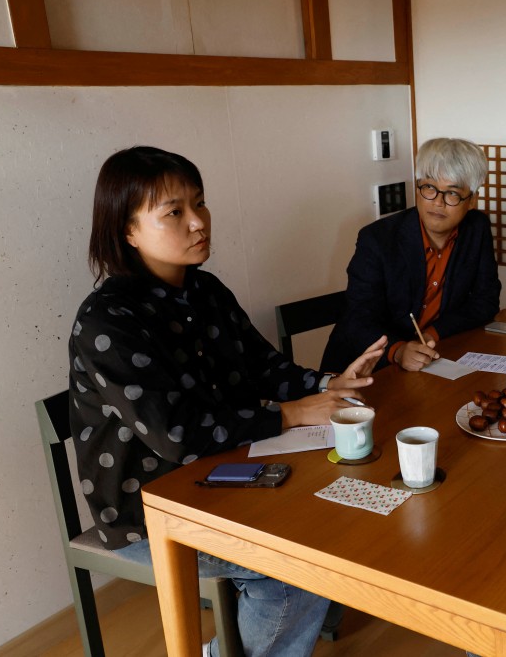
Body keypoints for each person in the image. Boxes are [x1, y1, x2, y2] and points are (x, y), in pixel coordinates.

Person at [68, 146, 386, 657]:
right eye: (174, 212)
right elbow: (175, 436)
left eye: (200, 203)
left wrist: (327, 384)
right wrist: (292, 412)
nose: (198, 222)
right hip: (148, 507)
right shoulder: (109, 320)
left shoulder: (205, 289)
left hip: (226, 470)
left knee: (338, 509)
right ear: (126, 231)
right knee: (289, 572)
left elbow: (263, 366)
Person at [321, 137, 501, 373]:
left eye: (452, 194)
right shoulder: (377, 239)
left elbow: (485, 301)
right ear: (417, 187)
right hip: (368, 366)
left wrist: (431, 333)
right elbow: (357, 319)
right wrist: (398, 350)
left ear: (472, 200)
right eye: (429, 188)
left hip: (432, 358)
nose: (438, 202)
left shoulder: (476, 228)